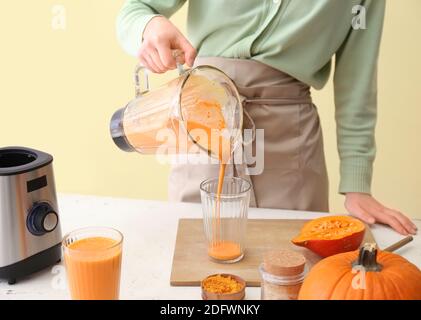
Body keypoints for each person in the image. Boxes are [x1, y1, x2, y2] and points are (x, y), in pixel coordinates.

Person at [116, 0, 417, 236]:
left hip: (291, 145)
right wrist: (150, 25)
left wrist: (357, 184)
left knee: (292, 269)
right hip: (203, 122)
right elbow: (135, 9)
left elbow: (357, 84)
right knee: (196, 266)